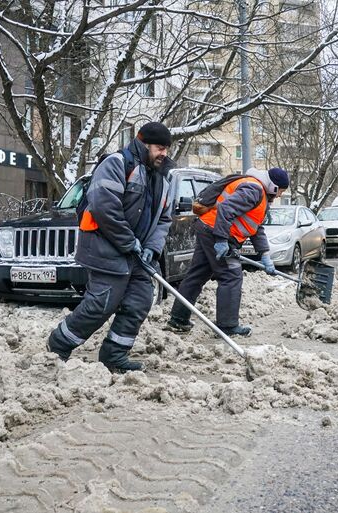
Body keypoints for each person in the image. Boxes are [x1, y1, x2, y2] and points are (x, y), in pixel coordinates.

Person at [46, 122, 175, 373]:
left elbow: (163, 219)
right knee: (102, 303)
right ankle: (59, 344)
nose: (164, 154)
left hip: (138, 256)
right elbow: (104, 207)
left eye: (167, 149)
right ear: (143, 143)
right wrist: (128, 241)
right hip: (107, 248)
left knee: (139, 301)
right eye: (160, 148)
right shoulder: (116, 164)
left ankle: (114, 354)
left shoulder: (163, 178)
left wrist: (152, 247)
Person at [165, 167, 289, 337]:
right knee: (231, 276)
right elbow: (225, 209)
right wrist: (222, 240)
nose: (280, 195)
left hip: (208, 228)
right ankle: (228, 326)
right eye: (281, 191)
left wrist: (265, 254)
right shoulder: (254, 190)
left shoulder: (259, 193)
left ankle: (178, 319)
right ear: (274, 186)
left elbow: (255, 227)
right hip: (216, 233)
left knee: (197, 274)